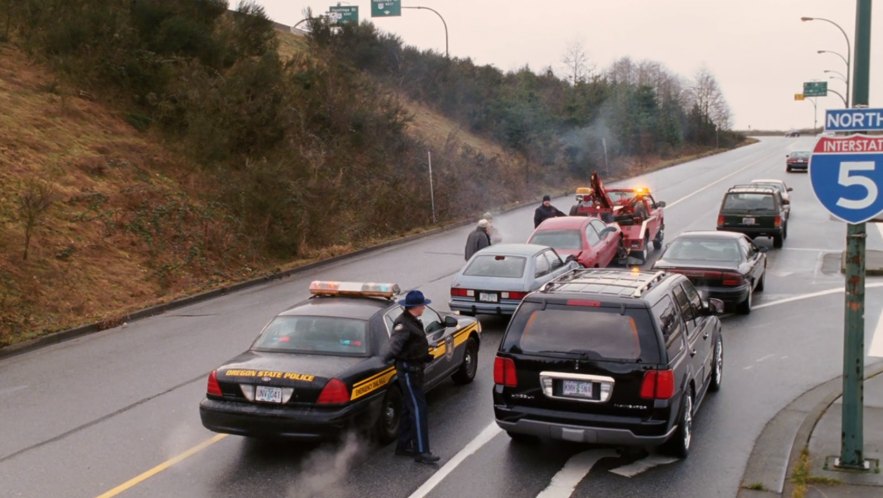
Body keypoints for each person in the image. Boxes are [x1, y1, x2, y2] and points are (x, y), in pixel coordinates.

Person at [386, 290, 440, 465]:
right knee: (419, 409)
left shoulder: (412, 321)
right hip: (408, 372)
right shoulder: (403, 325)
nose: (424, 307)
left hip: (414, 369)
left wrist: (423, 355)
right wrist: (388, 359)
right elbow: (394, 348)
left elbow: (410, 347)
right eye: (423, 304)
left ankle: (403, 445)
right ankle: (422, 451)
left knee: (409, 409)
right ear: (415, 307)